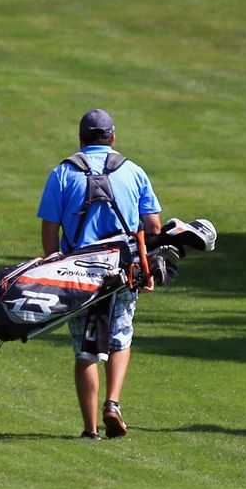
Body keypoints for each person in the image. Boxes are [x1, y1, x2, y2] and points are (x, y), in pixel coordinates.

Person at [37, 109, 162, 439]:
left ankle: (90, 428)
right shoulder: (133, 172)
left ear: (80, 139)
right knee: (121, 336)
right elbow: (153, 227)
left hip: (77, 272)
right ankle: (113, 402)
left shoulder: (62, 173)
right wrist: (147, 270)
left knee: (86, 348)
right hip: (122, 267)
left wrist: (52, 266)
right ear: (113, 138)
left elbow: (50, 230)